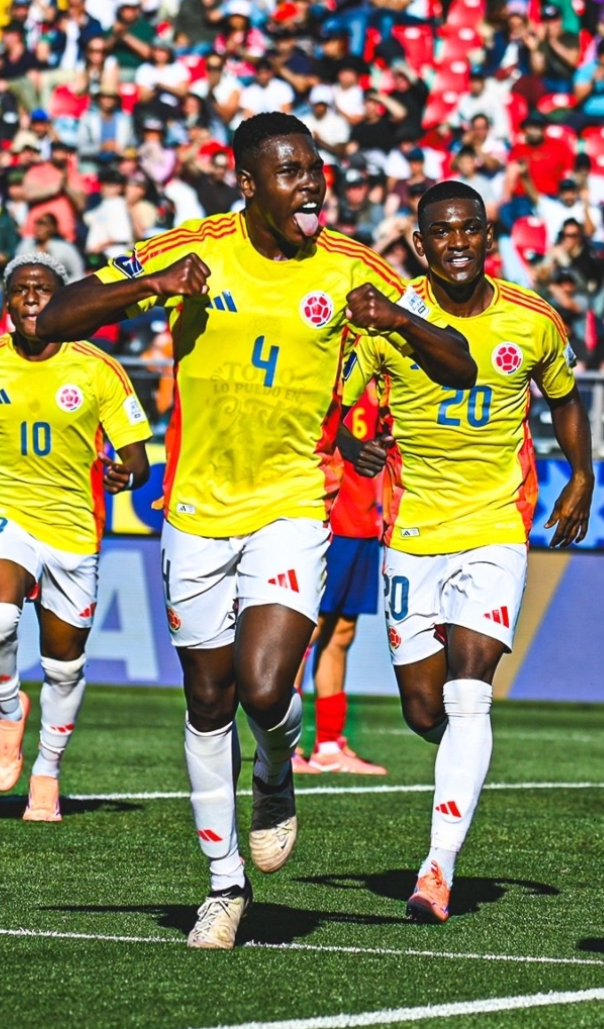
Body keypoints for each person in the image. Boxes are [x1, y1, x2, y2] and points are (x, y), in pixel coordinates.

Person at [36, 112, 477, 950]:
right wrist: (151, 288)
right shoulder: (193, 246)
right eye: (289, 171)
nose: (310, 183)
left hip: (291, 507)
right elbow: (56, 315)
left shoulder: (352, 266)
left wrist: (402, 321)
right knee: (208, 700)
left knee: (267, 689)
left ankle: (276, 771)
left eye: (315, 168)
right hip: (196, 514)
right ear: (248, 183)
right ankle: (223, 887)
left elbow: (459, 361)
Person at [340, 180, 594, 921]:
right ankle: (462, 759)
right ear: (419, 244)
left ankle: (437, 868)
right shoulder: (386, 320)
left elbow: (565, 397)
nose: (456, 242)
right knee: (425, 710)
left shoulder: (533, 320)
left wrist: (581, 472)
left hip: (493, 528)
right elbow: (343, 404)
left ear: (489, 238)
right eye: (440, 233)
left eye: (469, 230)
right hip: (411, 531)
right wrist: (355, 440)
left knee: (469, 687)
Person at [0, 253, 151, 821]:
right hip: (9, 517)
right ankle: (8, 709)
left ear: (64, 302)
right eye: (21, 290)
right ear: (8, 304)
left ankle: (48, 770)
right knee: (0, 621)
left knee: (64, 665)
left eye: (44, 289)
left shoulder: (96, 368)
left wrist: (124, 473)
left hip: (73, 530)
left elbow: (135, 458)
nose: (33, 297)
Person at [292, 385, 389, 776]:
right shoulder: (334, 376)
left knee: (341, 632)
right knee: (306, 632)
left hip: (366, 519)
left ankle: (329, 745)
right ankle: (286, 744)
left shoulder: (386, 381)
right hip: (334, 514)